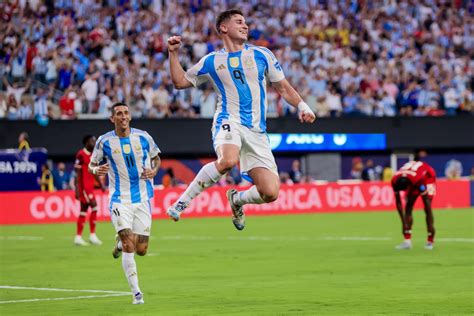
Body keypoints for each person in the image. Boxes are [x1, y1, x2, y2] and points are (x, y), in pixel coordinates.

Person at [166, 9, 316, 230]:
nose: (245, 25)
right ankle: (182, 202)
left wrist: (302, 106)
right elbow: (180, 82)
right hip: (229, 120)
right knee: (227, 160)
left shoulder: (262, 55)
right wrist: (173, 53)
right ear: (224, 28)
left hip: (257, 130)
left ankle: (237, 200)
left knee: (270, 192)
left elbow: (283, 87)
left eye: (245, 22)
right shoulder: (212, 61)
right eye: (239, 22)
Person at [89, 102, 161, 305]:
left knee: (142, 249)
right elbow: (91, 164)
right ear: (112, 119)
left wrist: (154, 171)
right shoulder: (104, 142)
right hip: (119, 200)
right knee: (131, 245)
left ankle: (120, 244)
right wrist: (96, 170)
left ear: (130, 116)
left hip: (143, 199)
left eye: (126, 113)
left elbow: (156, 159)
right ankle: (137, 294)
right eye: (118, 114)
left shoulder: (144, 137)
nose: (123, 116)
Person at [391, 160, 437, 250]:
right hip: (411, 177)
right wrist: (403, 222)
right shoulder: (394, 180)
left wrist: (429, 214)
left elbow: (426, 203)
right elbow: (398, 202)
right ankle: (407, 242)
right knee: (408, 206)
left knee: (427, 208)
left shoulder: (419, 180)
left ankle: (430, 241)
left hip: (427, 177)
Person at [73, 136, 105, 246]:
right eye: (92, 141)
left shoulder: (93, 156)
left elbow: (94, 172)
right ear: (87, 142)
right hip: (84, 188)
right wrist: (77, 189)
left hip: (90, 187)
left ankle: (78, 237)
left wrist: (101, 185)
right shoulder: (80, 154)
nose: (94, 143)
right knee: (94, 207)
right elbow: (77, 173)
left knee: (83, 210)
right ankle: (92, 235)